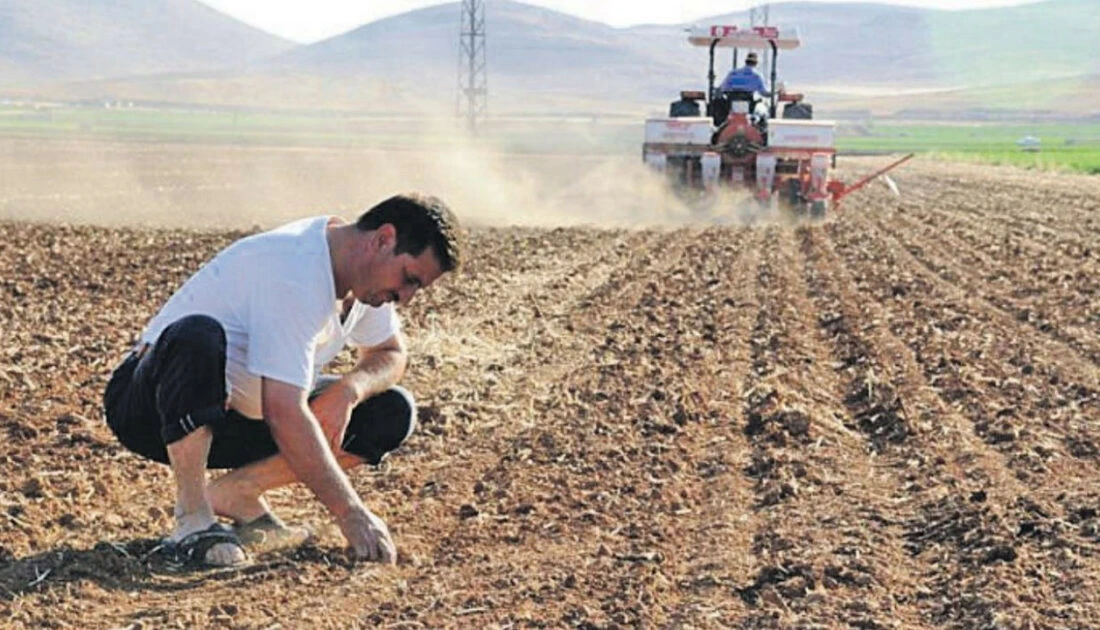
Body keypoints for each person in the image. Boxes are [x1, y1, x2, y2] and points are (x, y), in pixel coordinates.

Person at [102, 192, 462, 568]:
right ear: (383, 239)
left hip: (240, 415)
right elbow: (284, 412)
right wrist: (350, 513)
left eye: (415, 288)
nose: (404, 298)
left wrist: (348, 390)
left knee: (391, 410)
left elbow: (390, 353)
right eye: (408, 279)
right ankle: (193, 518)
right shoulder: (296, 269)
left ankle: (240, 491)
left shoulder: (365, 286)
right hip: (153, 409)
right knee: (197, 336)